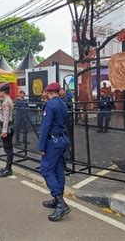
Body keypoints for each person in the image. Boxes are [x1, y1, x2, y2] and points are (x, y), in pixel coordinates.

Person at [38, 82, 71, 222]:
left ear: (49, 92)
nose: (44, 94)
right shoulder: (63, 104)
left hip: (53, 141)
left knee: (45, 169)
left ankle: (61, 203)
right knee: (57, 170)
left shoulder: (51, 104)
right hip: (62, 139)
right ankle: (58, 200)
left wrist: (41, 146)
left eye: (46, 91)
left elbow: (45, 126)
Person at [0, 84, 14, 178]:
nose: (0, 93)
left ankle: (8, 169)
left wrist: (4, 131)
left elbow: (6, 118)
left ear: (3, 92)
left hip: (6, 126)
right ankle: (7, 167)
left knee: (8, 149)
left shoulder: (5, 102)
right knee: (8, 148)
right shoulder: (9, 100)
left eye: (0, 92)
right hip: (8, 125)